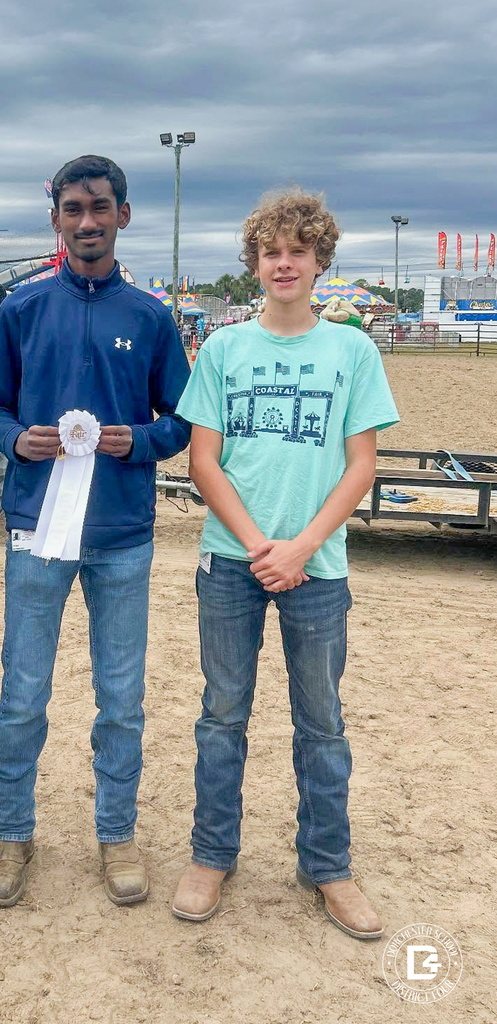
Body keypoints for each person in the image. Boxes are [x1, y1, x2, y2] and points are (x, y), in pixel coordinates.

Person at [171, 188, 399, 939]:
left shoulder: (350, 350)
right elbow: (204, 460)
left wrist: (300, 546)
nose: (283, 264)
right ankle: (211, 856)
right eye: (270, 252)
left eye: (297, 252)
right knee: (221, 717)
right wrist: (257, 544)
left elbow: (360, 464)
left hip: (318, 567)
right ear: (253, 263)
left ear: (319, 261)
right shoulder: (226, 349)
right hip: (231, 563)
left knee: (321, 724)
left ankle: (328, 865)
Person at [0, 154, 191, 908]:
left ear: (122, 215)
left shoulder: (151, 317)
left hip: (124, 538)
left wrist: (137, 440)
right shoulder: (21, 310)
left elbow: (181, 423)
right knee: (22, 694)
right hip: (37, 533)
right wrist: (14, 441)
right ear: (57, 220)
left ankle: (116, 833)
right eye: (73, 208)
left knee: (121, 699)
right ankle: (12, 834)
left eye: (100, 206)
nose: (87, 221)